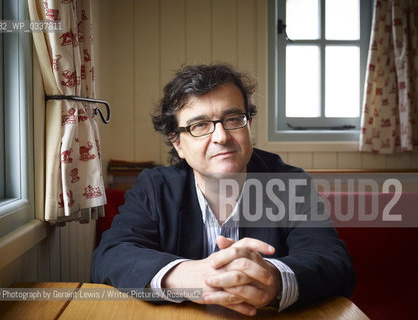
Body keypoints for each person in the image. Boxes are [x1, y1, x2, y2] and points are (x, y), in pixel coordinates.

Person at [92, 64, 355, 316]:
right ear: (178, 143)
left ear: (248, 123)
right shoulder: (154, 186)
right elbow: (111, 255)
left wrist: (272, 279)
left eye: (232, 119)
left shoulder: (289, 184)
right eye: (200, 125)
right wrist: (186, 276)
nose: (221, 136)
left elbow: (333, 262)